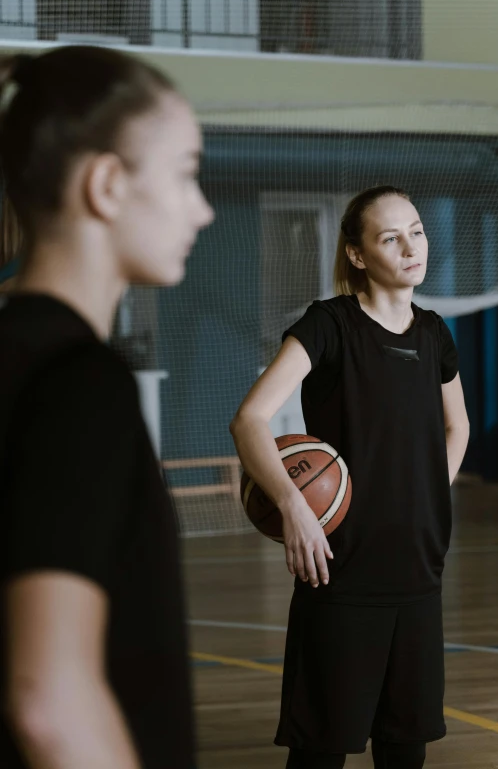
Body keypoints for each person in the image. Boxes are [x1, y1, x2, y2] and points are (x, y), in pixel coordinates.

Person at [0, 47, 214, 769]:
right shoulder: (83, 382)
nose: (204, 208)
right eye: (186, 174)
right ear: (107, 184)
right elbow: (50, 698)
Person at [230, 186, 469, 769]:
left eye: (416, 230)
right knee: (321, 752)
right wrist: (293, 507)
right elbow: (250, 419)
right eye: (391, 237)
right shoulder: (329, 325)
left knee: (404, 748)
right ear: (359, 255)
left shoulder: (434, 332)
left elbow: (456, 427)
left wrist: (426, 498)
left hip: (418, 567)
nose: (412, 246)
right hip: (339, 570)